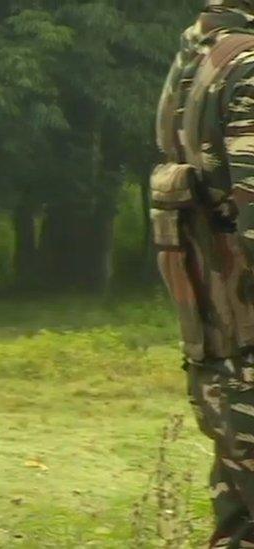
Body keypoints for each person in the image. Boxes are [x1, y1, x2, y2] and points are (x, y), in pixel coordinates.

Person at [154, 1, 254, 545]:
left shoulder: (193, 60)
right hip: (247, 344)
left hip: (217, 347)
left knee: (239, 522)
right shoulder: (248, 69)